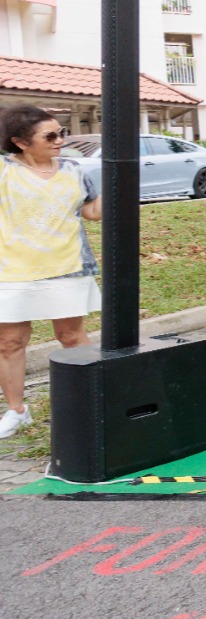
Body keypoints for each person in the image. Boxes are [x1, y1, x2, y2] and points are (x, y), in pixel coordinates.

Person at [0, 106, 102, 440]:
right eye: (51, 136)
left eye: (62, 133)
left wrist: (118, 185)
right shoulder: (3, 171)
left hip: (68, 266)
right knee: (10, 342)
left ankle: (92, 403)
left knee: (72, 337)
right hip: (12, 270)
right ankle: (17, 411)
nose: (60, 141)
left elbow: (91, 212)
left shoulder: (73, 169)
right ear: (20, 142)